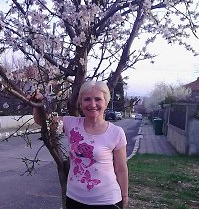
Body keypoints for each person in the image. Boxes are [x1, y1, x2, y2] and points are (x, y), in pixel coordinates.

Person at [32, 80, 129, 209]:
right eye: (87, 99)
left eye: (98, 99)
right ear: (81, 103)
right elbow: (42, 121)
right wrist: (37, 105)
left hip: (107, 201)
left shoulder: (116, 133)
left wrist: (125, 195)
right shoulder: (71, 124)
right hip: (74, 199)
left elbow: (121, 169)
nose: (92, 104)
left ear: (106, 102)